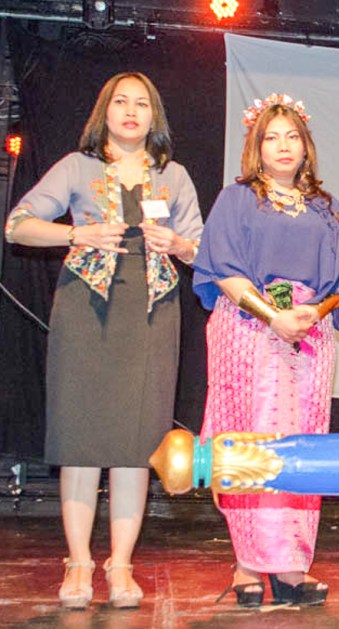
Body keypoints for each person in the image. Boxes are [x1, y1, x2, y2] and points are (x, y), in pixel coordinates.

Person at [3, 72, 202, 609]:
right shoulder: (76, 167)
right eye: (121, 102)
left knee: (138, 443)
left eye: (143, 104)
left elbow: (204, 253)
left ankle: (120, 566)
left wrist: (178, 242)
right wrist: (76, 232)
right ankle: (79, 563)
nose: (132, 111)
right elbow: (17, 226)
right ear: (104, 112)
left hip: (154, 310)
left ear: (155, 117)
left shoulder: (175, 176)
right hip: (86, 307)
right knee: (82, 437)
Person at [192, 93, 339, 607]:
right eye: (272, 137)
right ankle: (247, 564)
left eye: (292, 137)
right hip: (251, 327)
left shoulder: (326, 207)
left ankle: (290, 564)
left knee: (300, 440)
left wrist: (314, 313)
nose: (283, 146)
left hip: (308, 333)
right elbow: (223, 270)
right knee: (252, 439)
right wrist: (274, 316)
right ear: (256, 146)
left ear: (306, 146)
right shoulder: (237, 198)